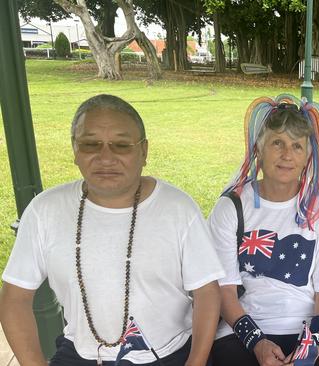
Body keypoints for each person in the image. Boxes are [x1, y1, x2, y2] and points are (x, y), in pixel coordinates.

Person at [0, 94, 224, 366]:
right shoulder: (44, 210)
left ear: (144, 152)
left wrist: (196, 362)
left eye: (121, 145)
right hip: (82, 354)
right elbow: (15, 298)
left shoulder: (178, 208)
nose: (106, 157)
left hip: (170, 354)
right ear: (75, 150)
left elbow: (207, 292)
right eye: (90, 144)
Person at [208, 94, 319, 366]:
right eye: (277, 143)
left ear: (308, 156)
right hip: (242, 328)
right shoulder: (231, 208)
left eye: (297, 146)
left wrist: (313, 344)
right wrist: (257, 342)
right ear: (259, 148)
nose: (286, 155)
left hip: (312, 326)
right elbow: (223, 291)